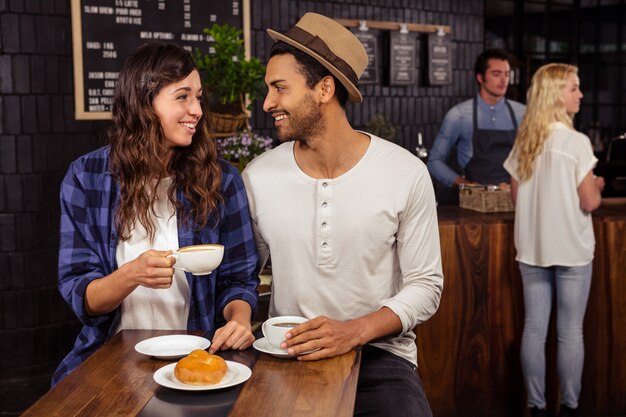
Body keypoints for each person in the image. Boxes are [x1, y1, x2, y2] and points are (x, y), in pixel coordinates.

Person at [242, 13, 444, 417]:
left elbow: (426, 286)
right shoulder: (258, 176)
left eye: (279, 88)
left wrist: (352, 331)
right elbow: (246, 274)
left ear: (324, 88)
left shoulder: (405, 172)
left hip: (382, 359)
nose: (268, 103)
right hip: (287, 352)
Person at [52, 43, 259, 386]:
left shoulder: (221, 180)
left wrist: (238, 319)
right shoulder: (87, 177)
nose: (197, 109)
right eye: (182, 97)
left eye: (198, 97)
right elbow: (82, 296)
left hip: (197, 359)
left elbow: (239, 280)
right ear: (144, 103)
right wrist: (130, 275)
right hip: (111, 358)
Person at [503, 63, 605, 417]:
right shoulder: (576, 142)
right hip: (573, 251)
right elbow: (589, 201)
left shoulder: (526, 140)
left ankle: (537, 407)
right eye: (574, 88)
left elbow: (517, 198)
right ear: (556, 94)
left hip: (532, 249)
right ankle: (570, 407)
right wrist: (596, 187)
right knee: (569, 332)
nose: (580, 94)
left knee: (534, 329)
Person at [427, 48, 525, 190]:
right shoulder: (459, 115)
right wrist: (467, 185)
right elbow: (434, 161)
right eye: (496, 74)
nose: (504, 80)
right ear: (480, 77)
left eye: (507, 74)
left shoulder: (522, 113)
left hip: (515, 198)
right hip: (474, 201)